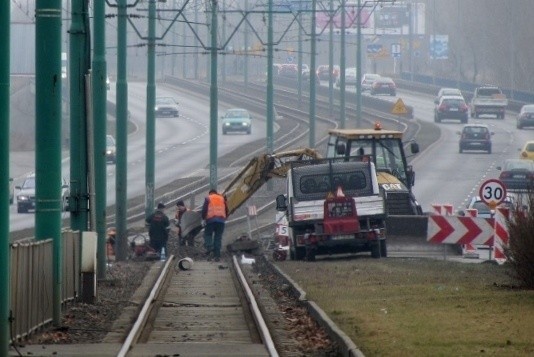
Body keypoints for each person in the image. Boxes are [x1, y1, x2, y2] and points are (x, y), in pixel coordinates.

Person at [201, 189, 228, 262]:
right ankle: (217, 255)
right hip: (221, 221)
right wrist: (224, 218)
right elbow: (226, 210)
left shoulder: (208, 198)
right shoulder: (222, 198)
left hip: (211, 220)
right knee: (218, 237)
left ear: (210, 193)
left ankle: (210, 249)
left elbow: (204, 210)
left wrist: (203, 218)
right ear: (216, 193)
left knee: (208, 234)